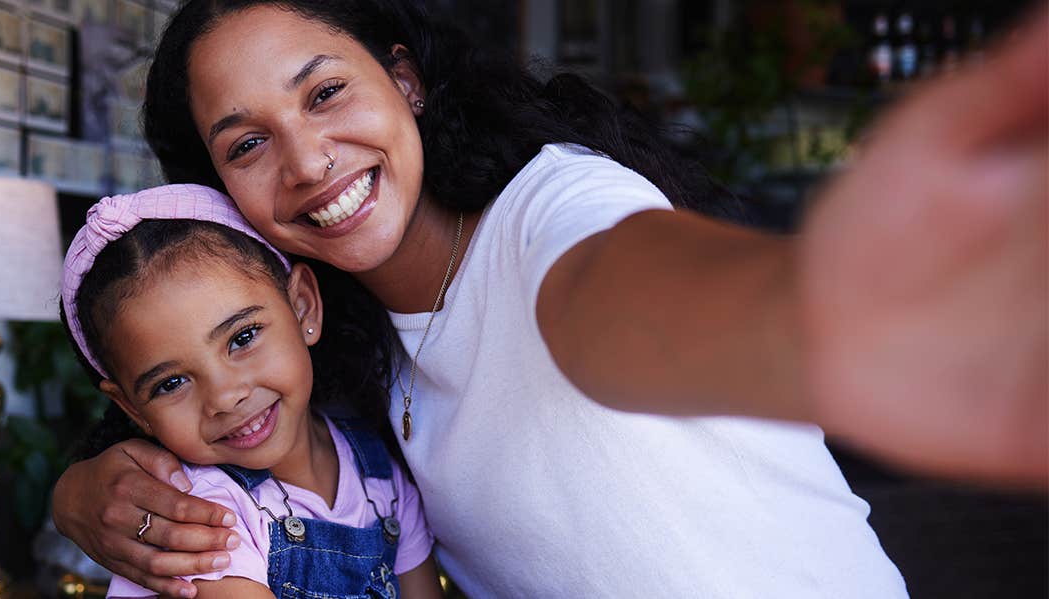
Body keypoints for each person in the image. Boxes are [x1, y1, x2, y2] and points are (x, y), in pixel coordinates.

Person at [52, 1, 1047, 597]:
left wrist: (821, 303)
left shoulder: (554, 209)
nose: (308, 161)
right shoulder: (346, 363)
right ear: (221, 197)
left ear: (405, 81)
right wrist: (83, 493)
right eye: (247, 142)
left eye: (324, 94)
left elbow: (625, 293)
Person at [59, 184, 441, 598]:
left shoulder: (380, 473)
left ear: (302, 306)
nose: (225, 396)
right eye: (171, 383)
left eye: (242, 338)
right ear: (132, 407)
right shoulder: (202, 516)